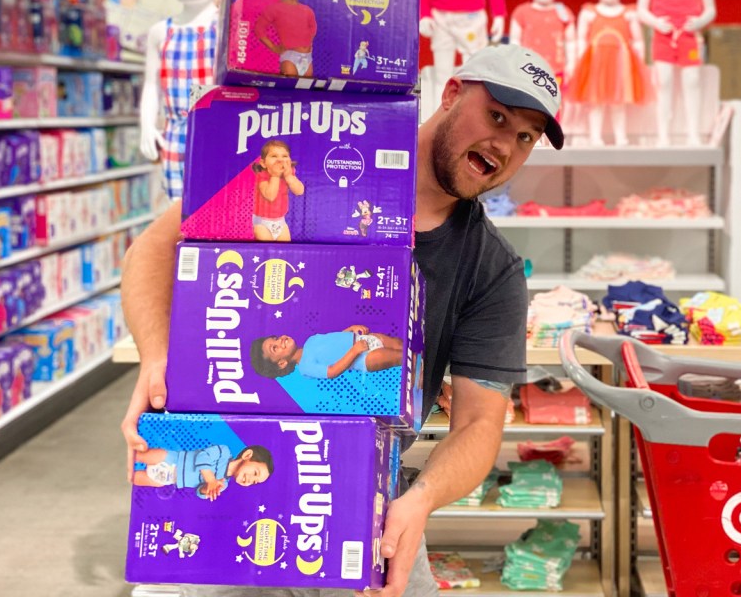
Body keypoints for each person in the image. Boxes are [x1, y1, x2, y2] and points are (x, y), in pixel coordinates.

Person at [120, 43, 564, 597]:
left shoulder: (490, 268)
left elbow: (479, 425)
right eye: (497, 116)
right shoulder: (321, 161)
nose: (504, 144)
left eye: (525, 137)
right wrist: (157, 358)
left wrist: (420, 500)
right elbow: (153, 250)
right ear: (451, 94)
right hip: (227, 465)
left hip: (366, 497)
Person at [140, 0, 224, 201]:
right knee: (176, 210)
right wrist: (146, 125)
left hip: (218, 128)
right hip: (175, 131)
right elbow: (151, 84)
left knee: (217, 202)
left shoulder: (225, 27)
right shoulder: (160, 31)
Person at [636, 0, 717, 146]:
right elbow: (641, 9)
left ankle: (693, 133)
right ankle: (663, 134)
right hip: (663, 36)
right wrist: (655, 22)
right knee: (663, 82)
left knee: (693, 81)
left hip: (690, 36)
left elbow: (711, 9)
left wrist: (699, 21)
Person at [571, 0, 649, 147]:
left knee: (619, 103)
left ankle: (620, 136)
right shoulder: (589, 12)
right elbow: (580, 39)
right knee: (595, 102)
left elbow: (638, 40)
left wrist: (640, 62)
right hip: (596, 63)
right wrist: (581, 62)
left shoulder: (630, 13)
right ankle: (595, 136)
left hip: (620, 64)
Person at [250, 325, 403, 379]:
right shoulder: (305, 367)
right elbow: (332, 371)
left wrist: (349, 330)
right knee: (399, 357)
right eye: (275, 347)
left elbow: (333, 342)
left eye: (275, 338)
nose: (280, 340)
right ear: (282, 363)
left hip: (362, 339)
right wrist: (355, 351)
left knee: (399, 344)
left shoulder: (310, 340)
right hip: (364, 357)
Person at [132, 443, 274, 501]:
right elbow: (202, 457)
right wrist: (210, 480)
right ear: (247, 455)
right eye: (255, 473)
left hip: (171, 479)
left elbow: (199, 493)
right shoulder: (223, 452)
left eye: (255, 482)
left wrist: (207, 489)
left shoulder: (222, 484)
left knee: (139, 478)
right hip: (172, 459)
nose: (250, 480)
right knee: (139, 455)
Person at [254, 0, 317, 77]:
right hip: (290, 57)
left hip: (308, 58)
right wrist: (274, 47)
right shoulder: (274, 9)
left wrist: (307, 41)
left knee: (306, 90)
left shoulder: (308, 10)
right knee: (290, 88)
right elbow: (259, 29)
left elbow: (313, 27)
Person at [251, 139, 305, 242]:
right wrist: (275, 175)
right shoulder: (262, 175)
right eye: (274, 156)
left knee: (285, 250)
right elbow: (270, 196)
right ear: (263, 163)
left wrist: (289, 177)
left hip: (281, 221)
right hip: (262, 222)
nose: (280, 160)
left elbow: (300, 191)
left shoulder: (289, 174)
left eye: (284, 156)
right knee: (267, 249)